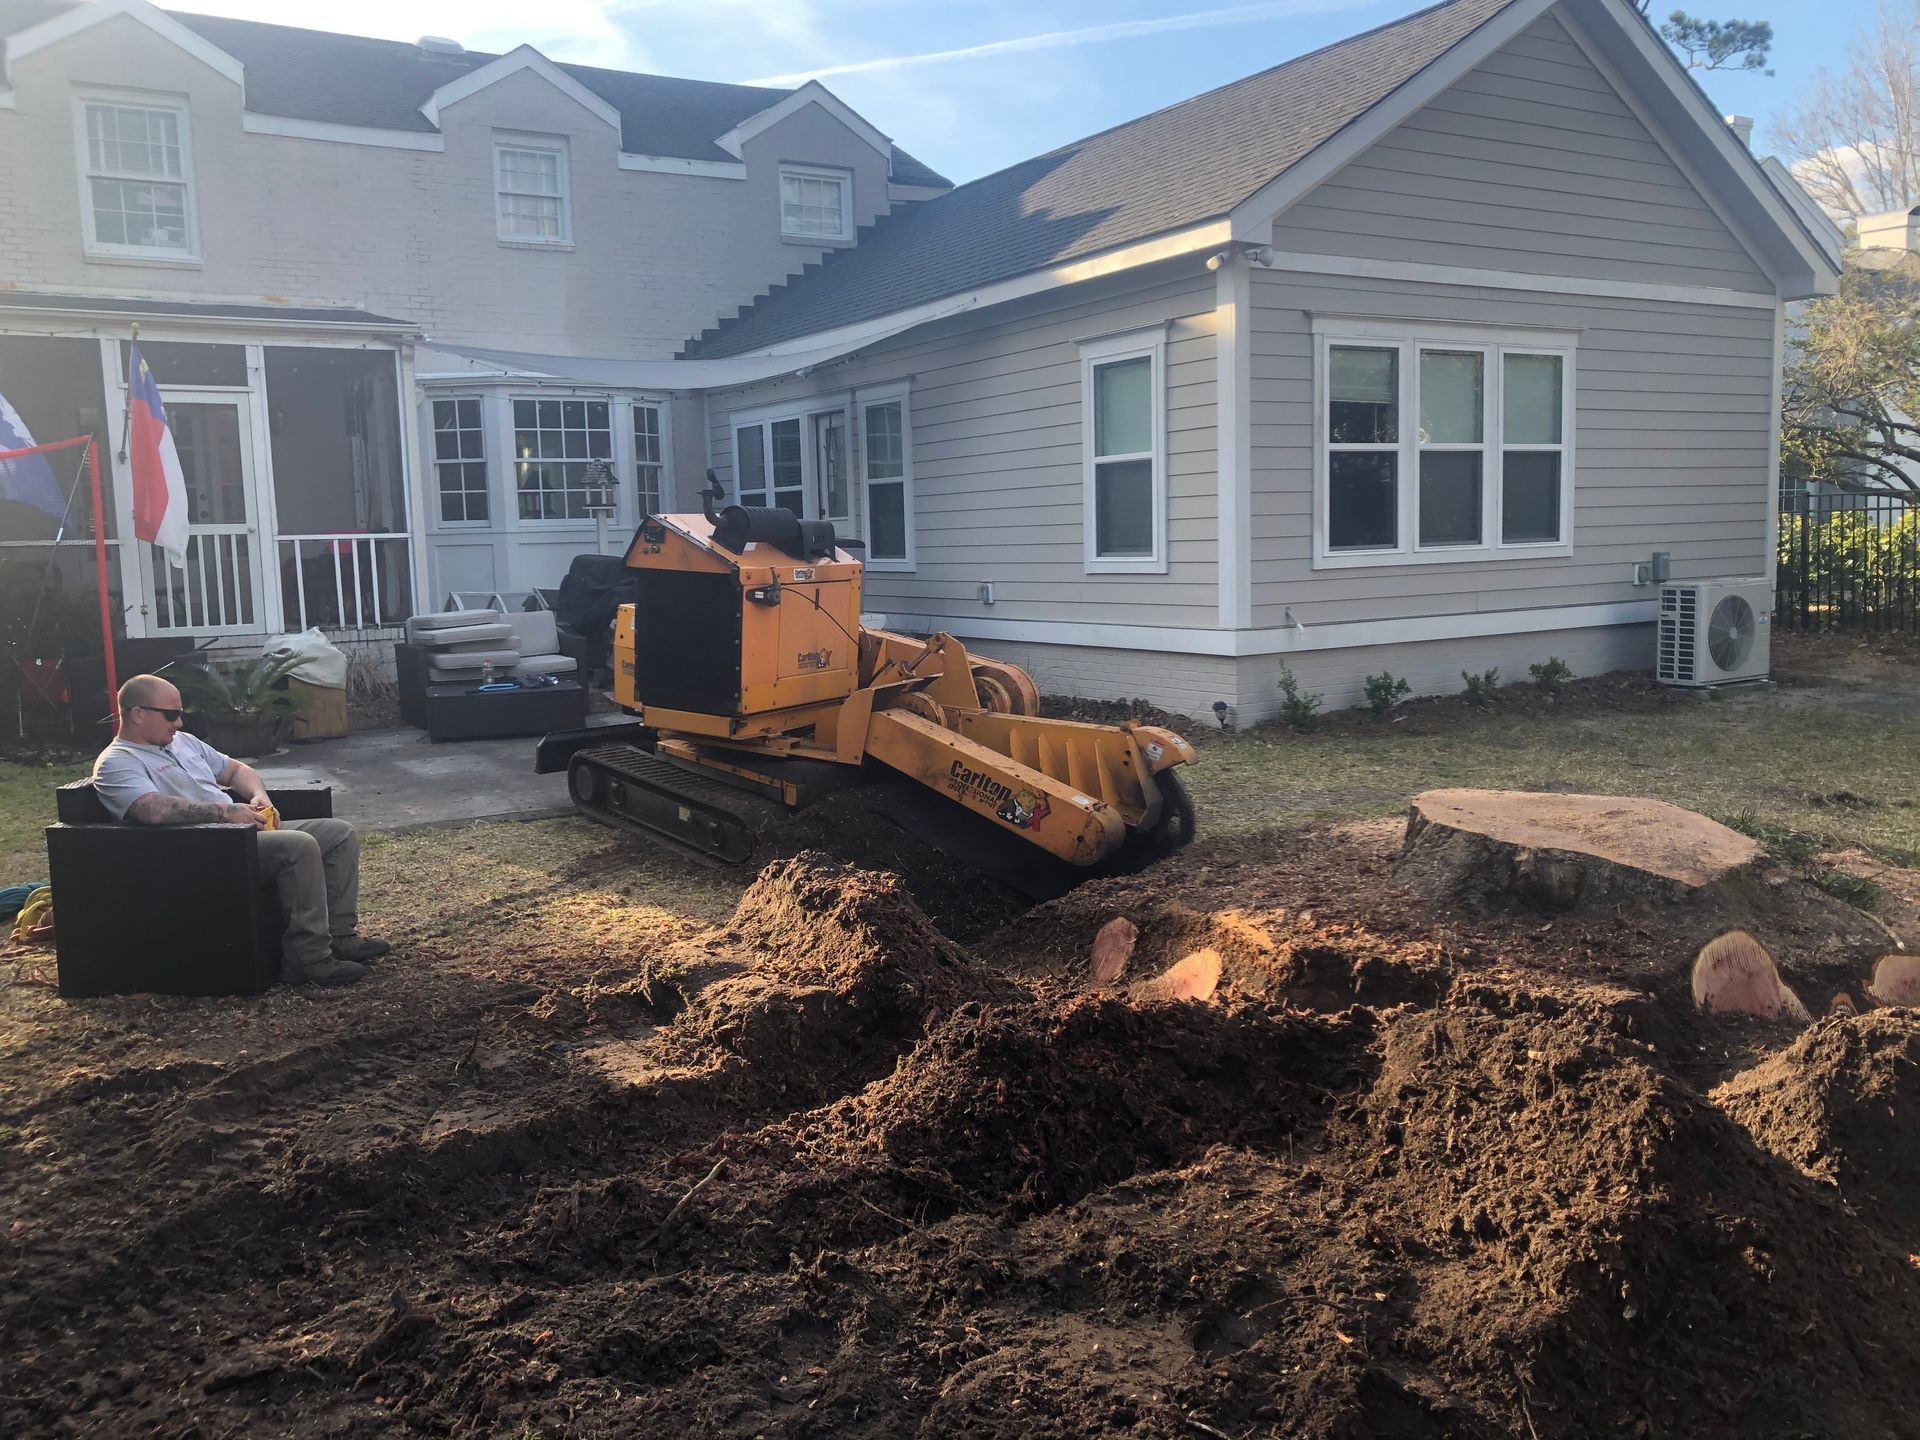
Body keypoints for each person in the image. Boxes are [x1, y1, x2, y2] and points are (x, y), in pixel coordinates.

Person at [91, 673, 389, 988]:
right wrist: (225, 811)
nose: (179, 723)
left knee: (339, 834)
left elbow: (236, 770)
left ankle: (340, 937)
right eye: (172, 715)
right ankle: (308, 959)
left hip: (240, 834)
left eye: (181, 714)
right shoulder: (117, 762)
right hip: (200, 849)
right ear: (138, 714)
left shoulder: (183, 742)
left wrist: (259, 797)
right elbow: (151, 809)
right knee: (299, 846)